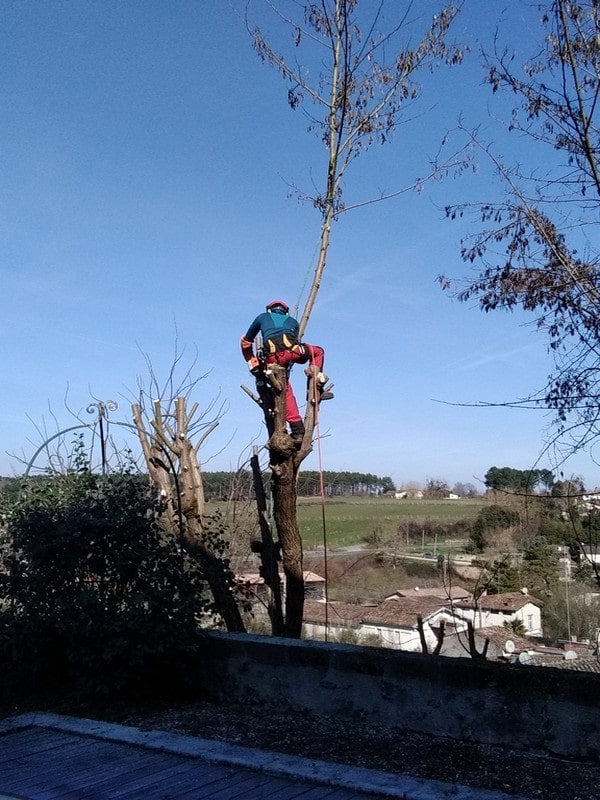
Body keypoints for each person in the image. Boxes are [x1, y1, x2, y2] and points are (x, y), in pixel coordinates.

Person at [241, 299, 332, 441]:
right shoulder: (293, 321)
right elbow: (295, 339)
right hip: (294, 351)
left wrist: (252, 360)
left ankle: (297, 429)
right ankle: (314, 388)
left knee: (285, 389)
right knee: (318, 352)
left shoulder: (262, 317)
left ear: (269, 310)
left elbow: (246, 342)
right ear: (285, 311)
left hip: (272, 358)